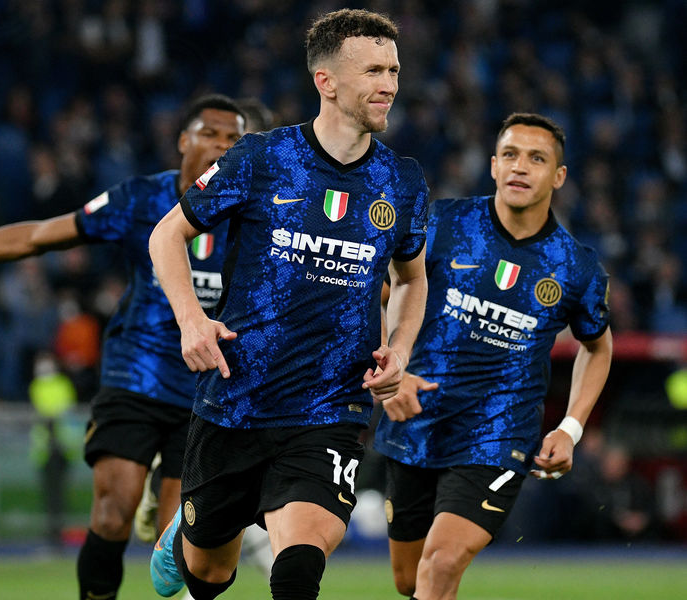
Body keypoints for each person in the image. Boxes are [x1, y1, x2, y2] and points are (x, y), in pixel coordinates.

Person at [0, 94, 247, 600]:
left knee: (179, 557)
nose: (221, 145)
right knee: (112, 512)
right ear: (182, 141)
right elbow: (38, 236)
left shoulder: (251, 212)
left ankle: (167, 516)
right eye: (209, 133)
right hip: (137, 377)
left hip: (205, 391)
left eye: (233, 138)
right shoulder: (140, 198)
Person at [147, 9, 428, 600]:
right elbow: (166, 235)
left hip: (330, 409)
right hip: (236, 401)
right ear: (326, 81)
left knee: (298, 569)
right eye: (373, 71)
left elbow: (410, 280)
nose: (389, 84)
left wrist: (400, 349)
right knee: (208, 575)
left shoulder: (402, 181)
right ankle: (186, 536)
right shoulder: (261, 158)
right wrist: (192, 321)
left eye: (394, 70)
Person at [372, 113, 614, 600]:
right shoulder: (443, 223)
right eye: (510, 155)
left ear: (559, 176)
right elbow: (374, 293)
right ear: (493, 165)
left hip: (499, 433)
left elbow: (598, 347)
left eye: (536, 158)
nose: (520, 166)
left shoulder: (576, 267)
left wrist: (570, 429)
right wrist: (392, 368)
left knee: (441, 562)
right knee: (410, 578)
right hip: (416, 421)